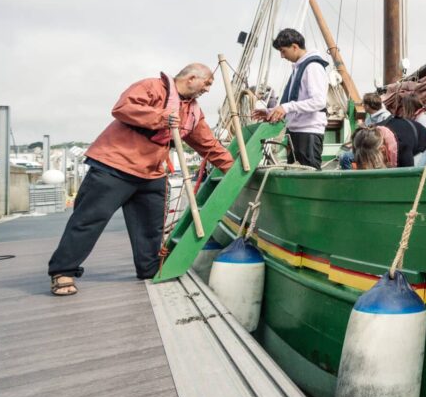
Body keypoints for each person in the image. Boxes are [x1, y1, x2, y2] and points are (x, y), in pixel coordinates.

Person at [47, 64, 234, 295]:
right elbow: (123, 108)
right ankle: (63, 271)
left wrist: (234, 169)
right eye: (207, 83)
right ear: (192, 77)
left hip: (152, 173)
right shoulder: (152, 86)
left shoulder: (193, 112)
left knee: (151, 228)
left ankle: (148, 268)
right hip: (114, 166)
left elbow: (209, 145)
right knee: (88, 220)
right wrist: (161, 117)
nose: (207, 89)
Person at [253, 28, 329, 169]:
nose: (282, 56)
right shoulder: (299, 68)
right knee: (297, 174)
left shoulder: (313, 67)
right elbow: (295, 100)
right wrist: (271, 111)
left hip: (308, 131)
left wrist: (286, 107)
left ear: (294, 47)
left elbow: (318, 101)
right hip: (295, 132)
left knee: (307, 177)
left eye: (283, 51)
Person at [395, 95, 426, 166]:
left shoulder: (422, 120)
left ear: (407, 108)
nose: (401, 111)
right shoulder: (420, 118)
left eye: (402, 107)